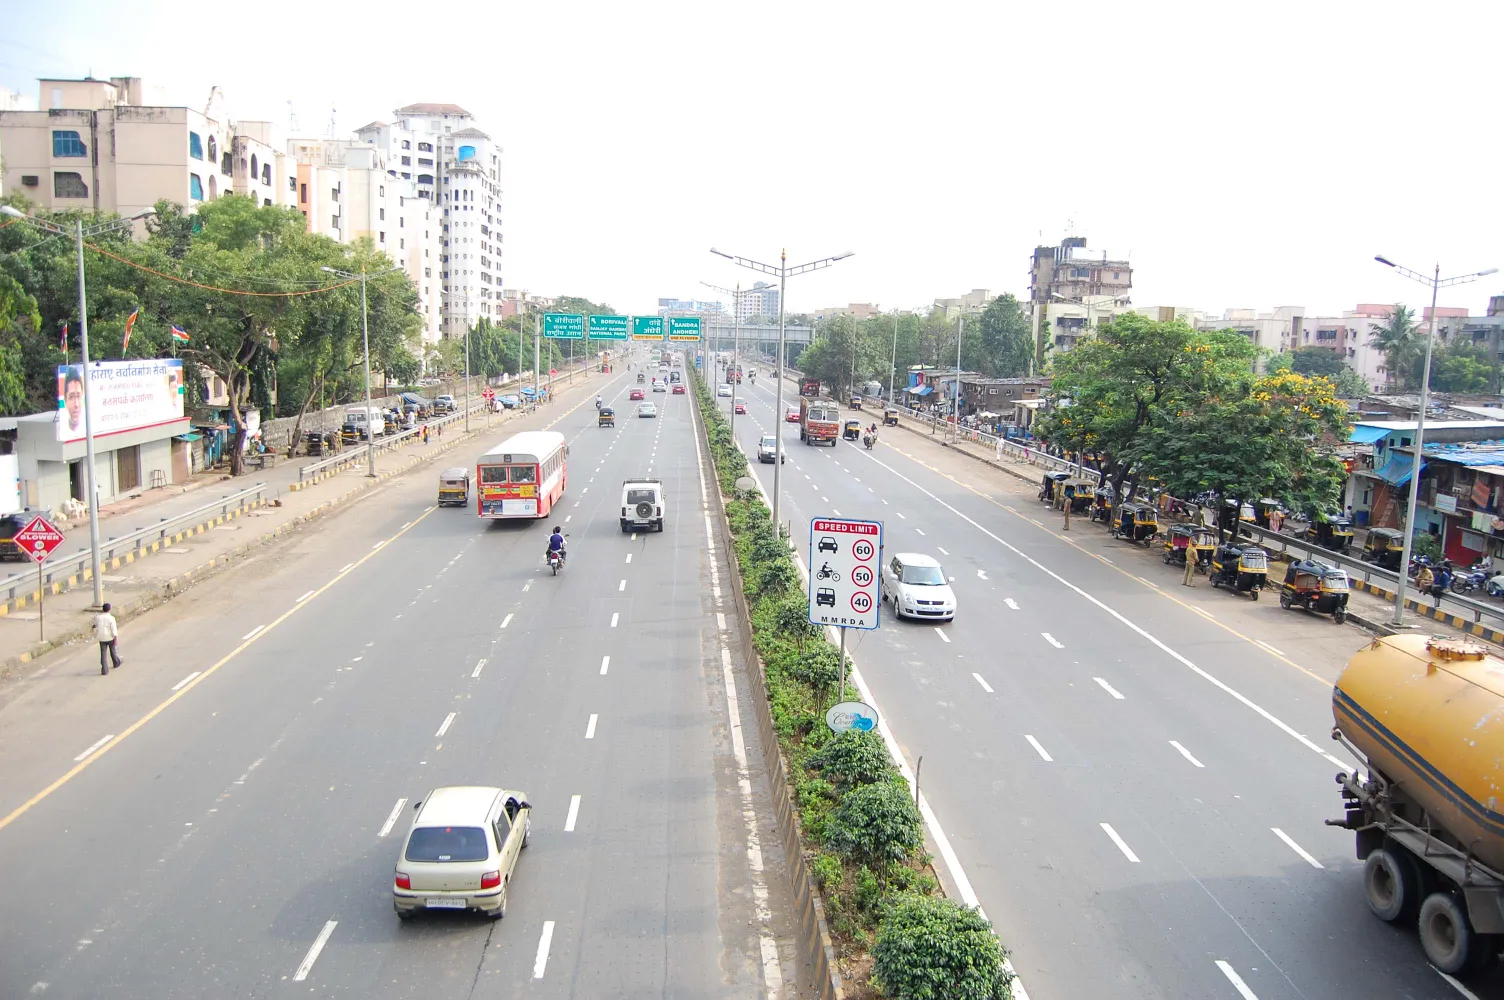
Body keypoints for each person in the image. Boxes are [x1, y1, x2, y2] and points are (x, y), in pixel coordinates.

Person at [95, 602, 122, 674]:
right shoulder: (111, 618)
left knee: (103, 653)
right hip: (110, 637)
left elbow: (96, 625)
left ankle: (104, 670)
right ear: (109, 609)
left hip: (101, 638)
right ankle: (116, 663)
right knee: (112, 651)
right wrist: (115, 638)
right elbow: (114, 629)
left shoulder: (98, 617)